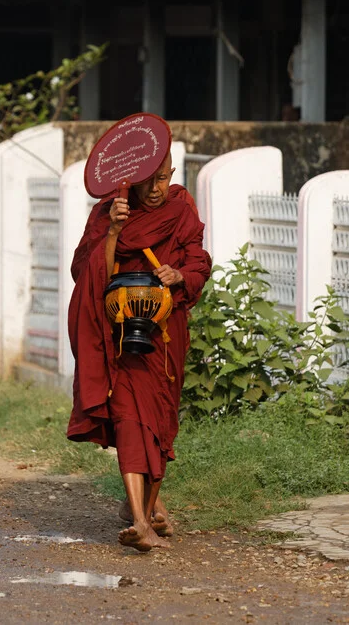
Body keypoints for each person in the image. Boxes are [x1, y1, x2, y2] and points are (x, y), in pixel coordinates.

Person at [67, 148, 211, 552]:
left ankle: (144, 509)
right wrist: (113, 232)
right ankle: (140, 520)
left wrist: (179, 274)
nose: (156, 189)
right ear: (132, 179)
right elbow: (87, 270)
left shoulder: (181, 208)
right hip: (122, 332)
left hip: (166, 335)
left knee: (160, 420)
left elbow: (199, 260)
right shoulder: (108, 213)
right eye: (149, 180)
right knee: (130, 419)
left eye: (164, 178)